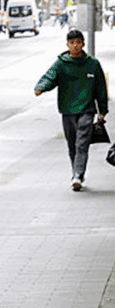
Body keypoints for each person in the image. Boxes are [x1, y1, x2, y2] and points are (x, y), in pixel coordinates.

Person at [34, 29, 109, 191]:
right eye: (72, 43)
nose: (75, 46)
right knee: (72, 145)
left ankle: (78, 175)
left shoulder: (92, 64)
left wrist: (102, 110)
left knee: (82, 143)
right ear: (67, 45)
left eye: (78, 43)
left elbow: (101, 88)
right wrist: (41, 87)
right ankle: (76, 173)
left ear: (82, 44)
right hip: (67, 110)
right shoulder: (62, 64)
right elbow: (50, 77)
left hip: (87, 110)